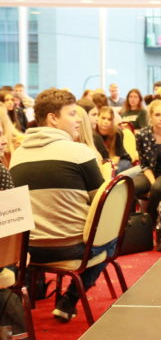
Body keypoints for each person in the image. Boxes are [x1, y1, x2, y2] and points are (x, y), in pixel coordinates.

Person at [9, 88, 108, 323]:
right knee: (111, 236)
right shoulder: (80, 152)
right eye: (72, 114)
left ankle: (38, 291)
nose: (78, 120)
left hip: (26, 253)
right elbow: (101, 204)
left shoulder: (17, 155)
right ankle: (69, 300)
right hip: (70, 249)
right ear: (53, 118)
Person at [94, 107, 131, 173]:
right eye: (103, 118)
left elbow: (117, 157)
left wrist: (106, 167)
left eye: (109, 119)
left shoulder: (117, 133)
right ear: (97, 118)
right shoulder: (93, 133)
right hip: (102, 161)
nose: (106, 122)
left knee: (112, 172)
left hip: (120, 160)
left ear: (112, 121)